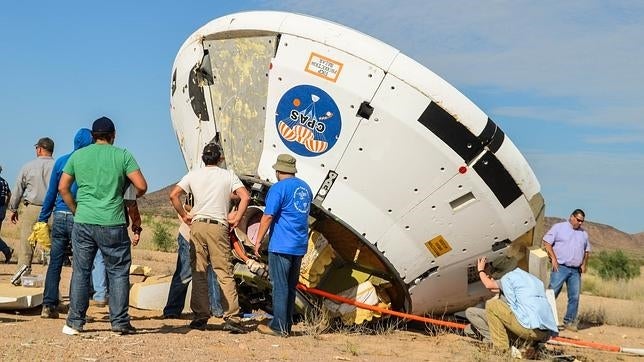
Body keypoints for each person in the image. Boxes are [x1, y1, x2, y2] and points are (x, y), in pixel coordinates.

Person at [59, 117, 147, 336]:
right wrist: (123, 195)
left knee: (81, 271)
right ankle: (119, 322)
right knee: (117, 272)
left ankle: (74, 322)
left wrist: (75, 209)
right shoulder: (122, 155)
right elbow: (142, 186)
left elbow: (63, 187)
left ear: (93, 136)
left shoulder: (78, 156)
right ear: (113, 135)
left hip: (84, 220)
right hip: (113, 222)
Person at [169, 142, 250, 333]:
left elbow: (174, 195)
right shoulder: (228, 175)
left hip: (197, 225)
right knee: (224, 272)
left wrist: (184, 215)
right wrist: (237, 218)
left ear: (203, 158)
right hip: (218, 226)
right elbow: (245, 197)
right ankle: (232, 317)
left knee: (199, 271)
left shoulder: (194, 174)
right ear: (220, 158)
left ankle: (200, 316)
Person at [253, 154, 312, 337]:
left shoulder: (278, 189)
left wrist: (258, 241)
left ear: (278, 170)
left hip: (281, 245)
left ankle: (278, 327)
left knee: (279, 285)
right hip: (299, 245)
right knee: (291, 286)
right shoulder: (305, 188)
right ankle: (286, 325)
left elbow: (268, 216)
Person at [38, 128, 93, 318]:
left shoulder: (61, 161)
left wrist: (42, 219)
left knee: (55, 262)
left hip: (59, 216)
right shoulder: (89, 162)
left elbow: (52, 192)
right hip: (80, 216)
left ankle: (49, 305)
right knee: (80, 264)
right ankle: (74, 306)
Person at [475, 256, 558, 352]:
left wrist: (480, 270)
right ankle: (529, 344)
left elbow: (489, 285)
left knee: (492, 305)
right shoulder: (531, 278)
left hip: (529, 329)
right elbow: (496, 288)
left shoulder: (508, 278)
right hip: (545, 332)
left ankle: (501, 349)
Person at [163, 198, 223, 319]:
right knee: (185, 273)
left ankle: (215, 308)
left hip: (209, 236)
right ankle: (172, 310)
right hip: (189, 235)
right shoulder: (201, 188)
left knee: (213, 273)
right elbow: (179, 201)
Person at [8, 137, 55, 273]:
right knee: (53, 246)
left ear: (39, 149)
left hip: (32, 208)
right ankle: (51, 280)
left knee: (26, 246)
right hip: (52, 209)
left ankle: (22, 275)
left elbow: (18, 189)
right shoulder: (58, 166)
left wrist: (13, 208)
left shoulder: (28, 166)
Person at [543, 209, 591, 331]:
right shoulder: (558, 228)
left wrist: (584, 264)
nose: (580, 223)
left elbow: (587, 251)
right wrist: (553, 258)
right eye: (578, 220)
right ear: (572, 217)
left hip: (575, 271)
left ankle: (569, 322)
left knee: (574, 297)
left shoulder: (583, 234)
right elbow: (547, 242)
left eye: (582, 221)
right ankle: (544, 320)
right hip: (560, 267)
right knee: (552, 294)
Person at [0, 165, 14, 262]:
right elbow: (9, 194)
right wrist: (6, 205)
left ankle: (6, 250)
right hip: (1, 209)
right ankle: (7, 250)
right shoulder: (4, 182)